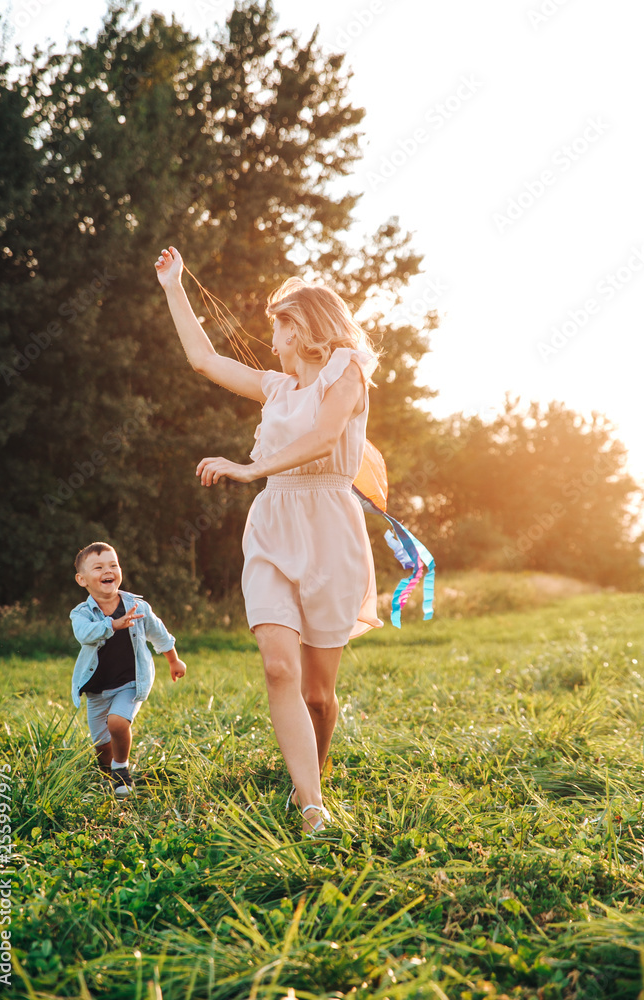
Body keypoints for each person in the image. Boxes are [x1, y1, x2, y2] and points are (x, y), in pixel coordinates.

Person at [155, 246, 382, 834]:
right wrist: (174, 286)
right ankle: (311, 804)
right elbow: (203, 360)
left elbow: (328, 438)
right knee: (279, 670)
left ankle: (315, 772)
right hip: (273, 526)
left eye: (278, 323)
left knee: (317, 695)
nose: (271, 337)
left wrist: (250, 469)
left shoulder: (348, 370)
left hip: (331, 527)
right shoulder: (276, 389)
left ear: (302, 326)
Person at [70, 541, 187, 797]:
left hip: (131, 683)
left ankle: (121, 769)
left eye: (113, 565)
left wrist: (173, 659)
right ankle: (108, 773)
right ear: (82, 579)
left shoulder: (137, 607)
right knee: (102, 745)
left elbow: (160, 633)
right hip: (97, 689)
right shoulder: (81, 614)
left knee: (117, 723)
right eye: (98, 567)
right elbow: (84, 635)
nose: (108, 570)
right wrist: (112, 625)